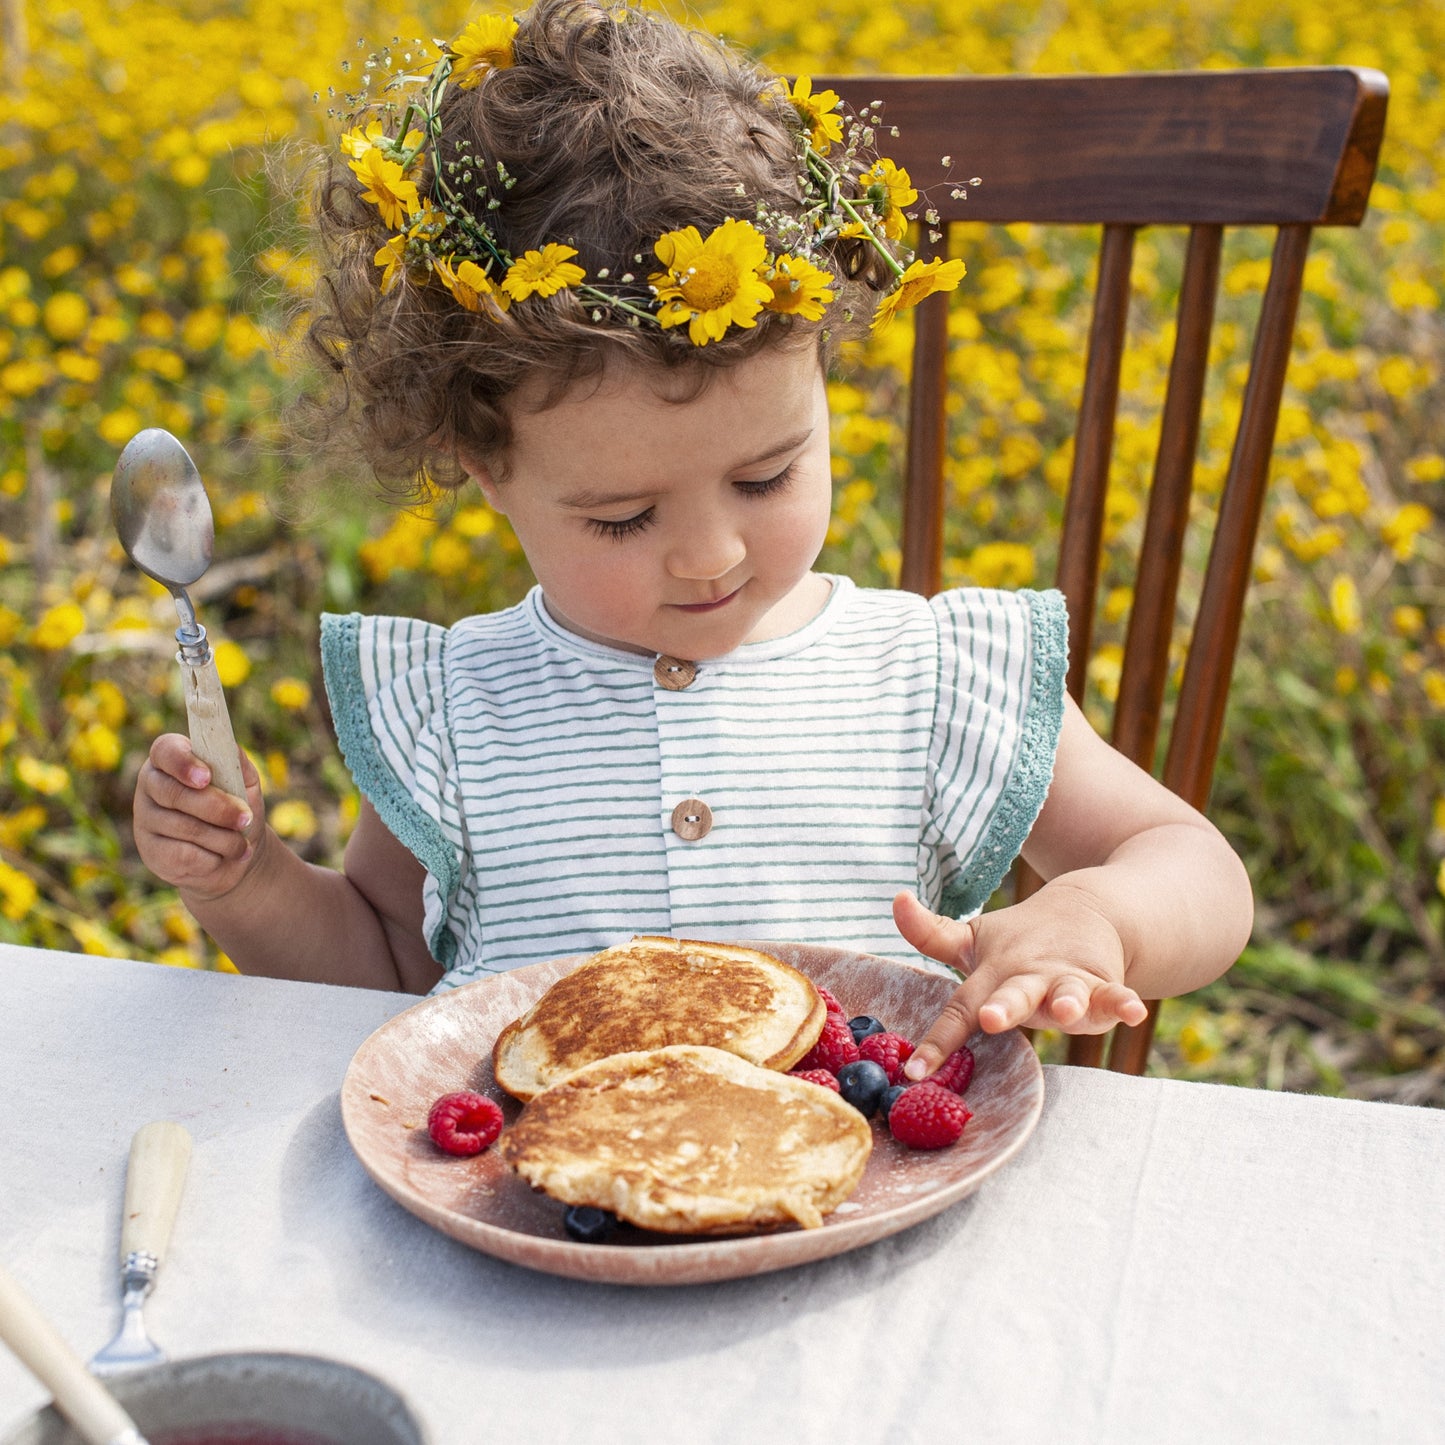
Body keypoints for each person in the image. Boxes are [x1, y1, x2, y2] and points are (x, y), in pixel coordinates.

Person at [132, 0, 1252, 1079]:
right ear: (487, 468)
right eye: (621, 516)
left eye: (766, 474)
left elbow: (1195, 868)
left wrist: (1097, 913)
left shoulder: (934, 678)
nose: (711, 554)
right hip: (535, 1232)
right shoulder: (460, 704)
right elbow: (379, 969)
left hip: (866, 1216)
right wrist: (247, 882)